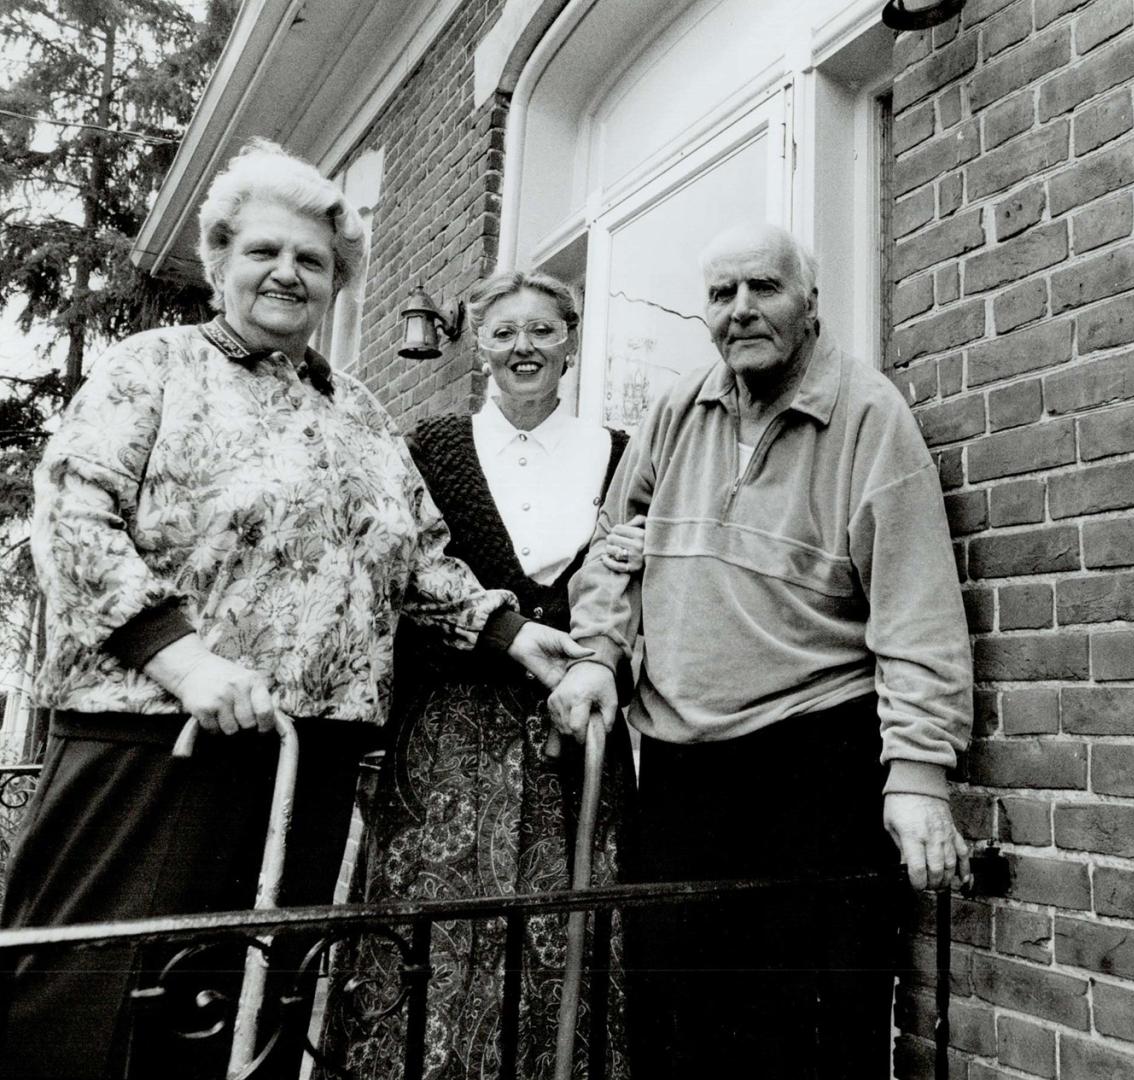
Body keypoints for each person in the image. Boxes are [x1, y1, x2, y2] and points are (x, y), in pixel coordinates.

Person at [0, 140, 587, 1080]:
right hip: (156, 747)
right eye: (264, 251)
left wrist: (515, 634)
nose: (288, 273)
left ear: (337, 283)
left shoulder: (357, 412)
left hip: (310, 759)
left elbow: (420, 564)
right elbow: (73, 517)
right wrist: (184, 660)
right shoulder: (152, 368)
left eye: (312, 260)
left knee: (261, 1013)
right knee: (97, 1008)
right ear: (221, 259)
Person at [551, 222, 974, 1078]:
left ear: (810, 304)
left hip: (812, 757)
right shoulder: (677, 409)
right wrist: (597, 653)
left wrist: (919, 776)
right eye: (720, 294)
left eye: (764, 289)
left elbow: (916, 608)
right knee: (677, 1011)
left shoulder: (867, 417)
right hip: (675, 763)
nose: (741, 310)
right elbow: (609, 552)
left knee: (808, 1023)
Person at [334, 269, 641, 1080]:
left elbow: (639, 592)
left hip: (579, 733)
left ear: (571, 340)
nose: (523, 348)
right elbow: (403, 588)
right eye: (503, 332)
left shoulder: (621, 454)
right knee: (438, 925)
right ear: (477, 347)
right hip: (448, 737)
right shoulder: (429, 448)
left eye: (543, 329)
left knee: (564, 924)